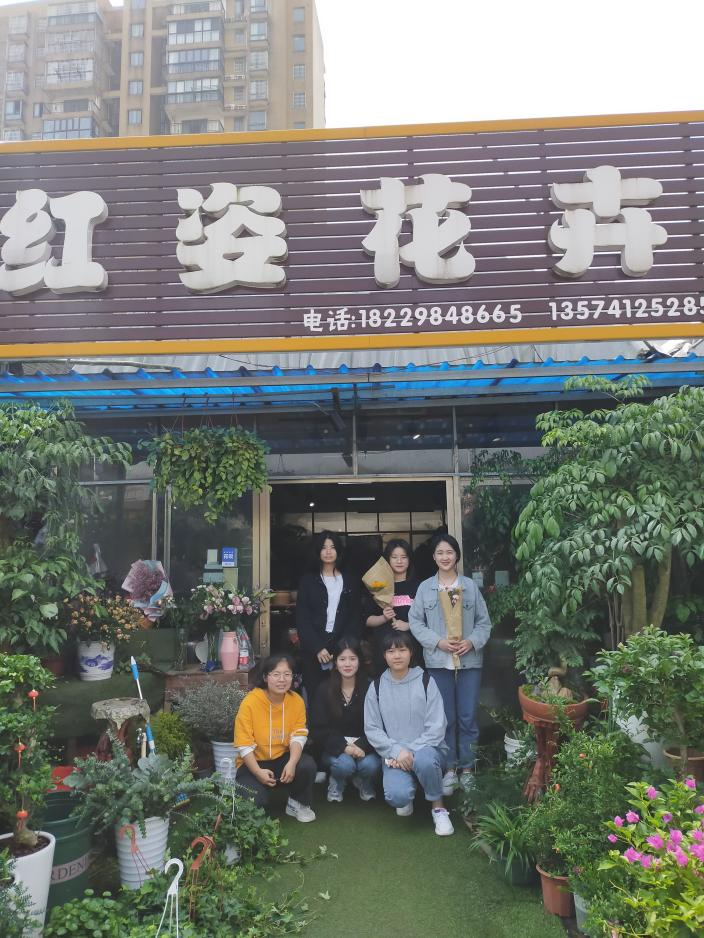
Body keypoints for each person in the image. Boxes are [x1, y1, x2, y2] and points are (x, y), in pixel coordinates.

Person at [409, 533, 492, 797]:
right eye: (440, 553)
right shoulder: (425, 588)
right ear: (434, 557)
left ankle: (467, 769)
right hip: (438, 662)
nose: (445, 557)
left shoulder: (470, 587)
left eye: (449, 552)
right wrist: (437, 642)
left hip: (469, 661)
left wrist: (472, 642)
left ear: (457, 556)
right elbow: (415, 622)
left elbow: (484, 623)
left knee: (467, 716)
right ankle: (449, 769)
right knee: (445, 718)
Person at [363, 632, 454, 836]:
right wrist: (397, 752)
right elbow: (372, 729)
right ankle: (408, 792)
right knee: (397, 796)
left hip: (427, 751)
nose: (397, 655)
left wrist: (409, 752)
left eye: (402, 650)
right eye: (391, 651)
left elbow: (437, 726)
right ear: (384, 655)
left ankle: (438, 808)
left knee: (424, 760)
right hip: (395, 756)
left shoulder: (426, 681)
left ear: (411, 652)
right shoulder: (376, 687)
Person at [234, 653, 317, 822]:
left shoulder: (297, 701)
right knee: (256, 803)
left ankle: (297, 802)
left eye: (287, 674)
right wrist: (257, 772)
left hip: (281, 759)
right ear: (265, 677)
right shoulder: (250, 702)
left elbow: (299, 736)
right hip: (253, 763)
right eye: (276, 674)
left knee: (306, 765)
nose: (282, 679)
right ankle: (254, 793)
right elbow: (244, 744)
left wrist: (292, 763)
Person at [310, 637, 381, 803]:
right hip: (335, 748)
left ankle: (364, 781)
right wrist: (344, 747)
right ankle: (337, 781)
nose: (347, 664)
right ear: (335, 662)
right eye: (342, 659)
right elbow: (317, 729)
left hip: (365, 746)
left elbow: (379, 726)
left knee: (371, 765)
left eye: (352, 659)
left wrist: (361, 746)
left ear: (360, 661)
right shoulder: (324, 689)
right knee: (344, 765)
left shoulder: (371, 688)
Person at [295, 531, 361, 701]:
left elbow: (354, 617)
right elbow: (302, 618)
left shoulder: (350, 580)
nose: (328, 551)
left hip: (342, 647)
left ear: (339, 550)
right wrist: (317, 647)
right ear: (318, 551)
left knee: (342, 695)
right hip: (313, 648)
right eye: (324, 547)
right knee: (316, 695)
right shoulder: (308, 581)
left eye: (332, 547)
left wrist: (344, 647)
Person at [364, 538, 423, 675]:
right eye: (394, 557)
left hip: (412, 649)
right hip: (384, 650)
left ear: (409, 559)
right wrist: (383, 617)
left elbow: (429, 619)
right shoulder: (378, 586)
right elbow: (367, 620)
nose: (399, 561)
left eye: (404, 557)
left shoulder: (420, 587)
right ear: (387, 559)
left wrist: (409, 625)